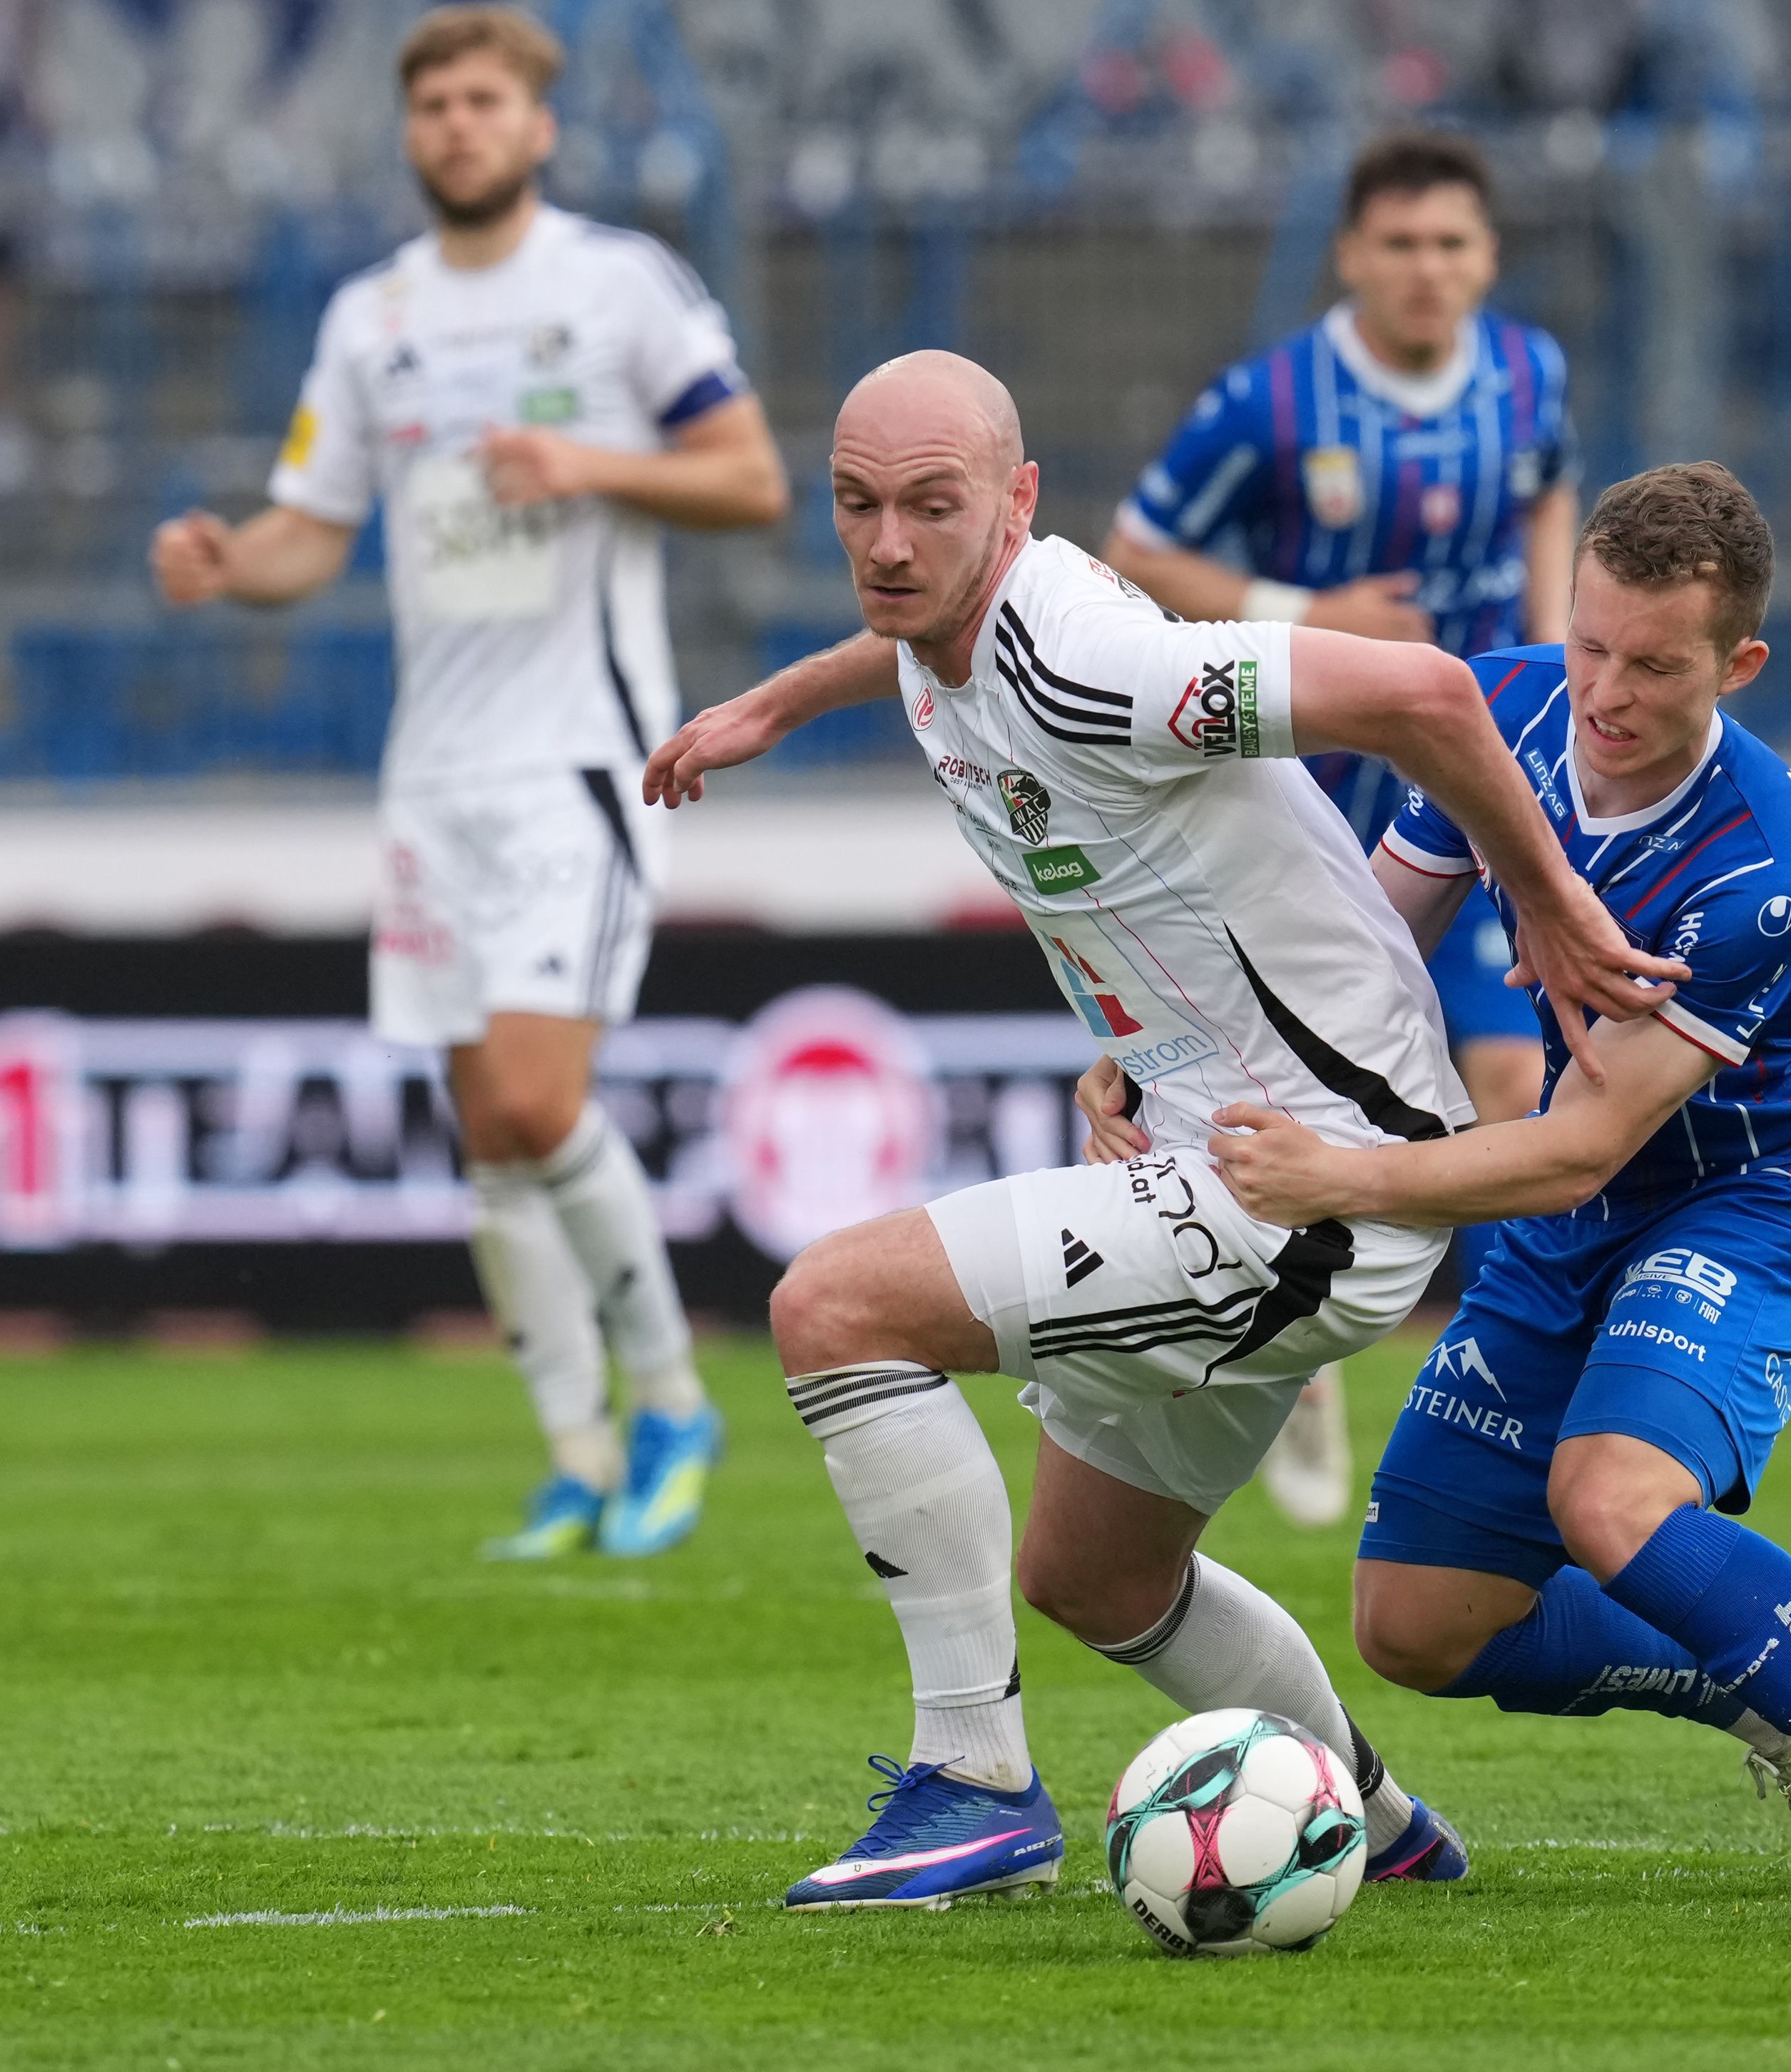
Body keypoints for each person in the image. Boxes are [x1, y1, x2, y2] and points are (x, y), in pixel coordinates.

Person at [643, 349, 1684, 1911]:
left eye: (933, 506)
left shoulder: (1086, 657)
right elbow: (909, 647)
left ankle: (973, 1786)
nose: (887, 545)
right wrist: (772, 704)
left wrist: (1542, 897)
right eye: (857, 506)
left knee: (832, 1307)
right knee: (1096, 1578)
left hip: (1310, 1180)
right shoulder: (949, 619)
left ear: (1018, 503)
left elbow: (1424, 692)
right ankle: (1373, 1821)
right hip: (1216, 1137)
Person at [1178, 462, 1791, 1907]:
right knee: (1414, 1626)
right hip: (1567, 1213)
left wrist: (1342, 1175)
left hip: (1746, 1199)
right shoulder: (1504, 704)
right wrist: (1182, 1067)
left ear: (1737, 663)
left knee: (1607, 1500)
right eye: (1588, 645)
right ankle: (1758, 1687)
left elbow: (1584, 1138)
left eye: (1651, 665)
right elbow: (1367, 950)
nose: (1603, 692)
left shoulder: (1755, 864)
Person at [148, 6, 788, 1560]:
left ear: (537, 123)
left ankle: (674, 1402)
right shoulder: (375, 319)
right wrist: (234, 562)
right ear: (410, 127)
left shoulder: (617, 286)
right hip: (430, 773)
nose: (457, 123)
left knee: (531, 1095)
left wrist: (593, 467)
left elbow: (753, 476)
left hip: (576, 752)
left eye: (484, 98)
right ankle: (575, 1452)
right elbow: (316, 525)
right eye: (433, 102)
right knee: (483, 1130)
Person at [1104, 129, 1571, 1528]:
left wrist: (1546, 655)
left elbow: (1547, 489)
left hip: (1476, 784)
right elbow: (1135, 550)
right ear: (1350, 257)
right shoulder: (1271, 404)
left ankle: (1490, 1406)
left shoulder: (1530, 372)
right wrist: (1300, 620)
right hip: (1310, 799)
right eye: (1400, 245)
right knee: (1282, 1102)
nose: (1427, 271)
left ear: (1484, 258)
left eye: (1452, 246)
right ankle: (1290, 1358)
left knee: (1507, 1088)